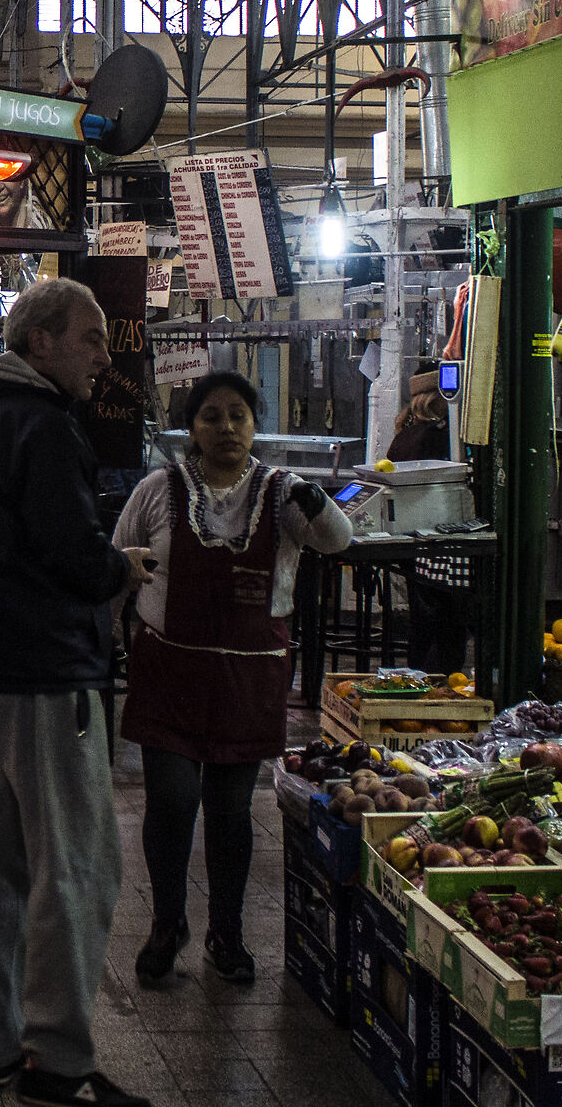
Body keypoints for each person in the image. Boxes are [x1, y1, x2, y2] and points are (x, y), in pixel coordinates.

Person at [0, 277, 157, 1107]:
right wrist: (121, 567)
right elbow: (71, 555)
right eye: (91, 338)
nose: (106, 355)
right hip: (41, 672)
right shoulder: (46, 428)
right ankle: (59, 1063)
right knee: (74, 867)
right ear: (42, 344)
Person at [113, 370, 353, 987]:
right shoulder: (157, 491)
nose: (226, 427)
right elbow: (119, 557)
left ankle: (227, 932)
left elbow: (337, 541)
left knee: (229, 809)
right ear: (191, 429)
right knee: (170, 801)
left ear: (255, 424)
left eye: (238, 415)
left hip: (248, 677)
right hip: (171, 669)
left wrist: (318, 503)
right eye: (212, 416)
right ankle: (168, 924)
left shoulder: (283, 494)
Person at [390, 368, 473, 675]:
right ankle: (438, 687)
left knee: (422, 625)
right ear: (436, 398)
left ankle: (417, 682)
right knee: (449, 625)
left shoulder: (405, 431)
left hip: (412, 545)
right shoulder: (437, 435)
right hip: (441, 546)